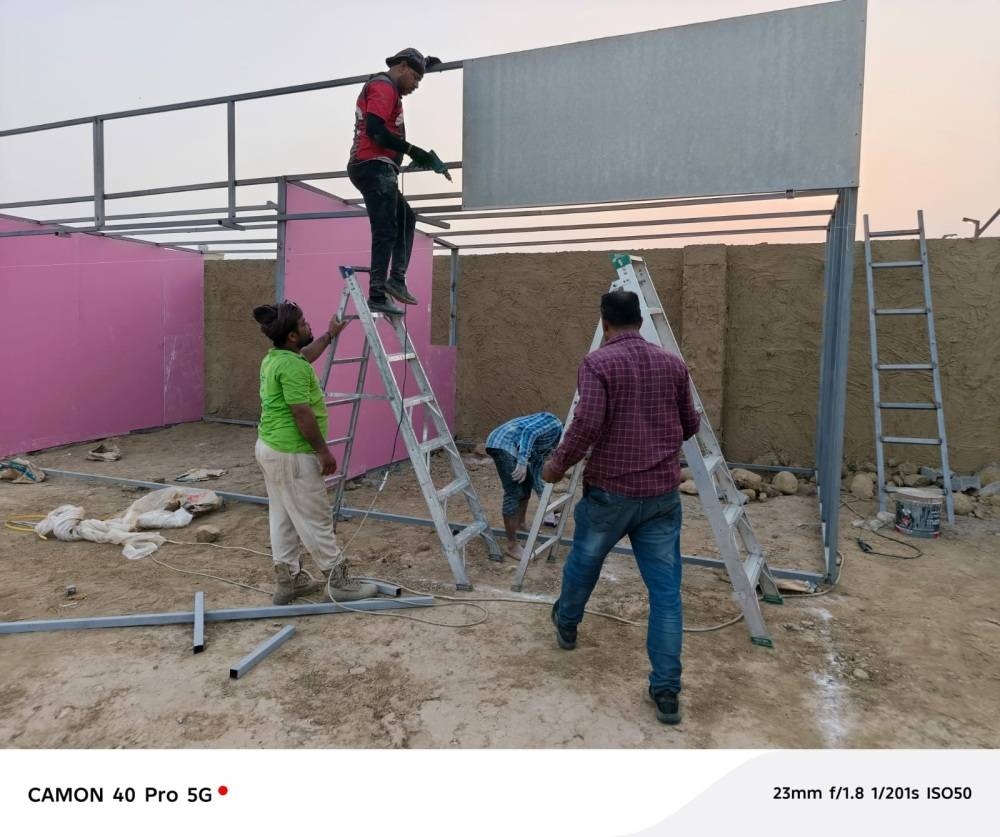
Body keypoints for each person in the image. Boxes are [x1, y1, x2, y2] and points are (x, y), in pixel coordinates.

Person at [542, 290, 700, 725]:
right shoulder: (673, 364)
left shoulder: (598, 363)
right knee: (666, 595)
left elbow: (587, 423)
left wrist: (556, 465)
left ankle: (567, 624)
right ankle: (666, 692)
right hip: (661, 498)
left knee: (584, 564)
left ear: (604, 322)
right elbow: (690, 424)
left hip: (610, 493)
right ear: (640, 321)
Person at [252, 300, 377, 605]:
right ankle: (338, 582)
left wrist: (329, 335)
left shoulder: (276, 358)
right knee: (316, 518)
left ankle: (289, 582)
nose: (308, 325)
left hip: (271, 449)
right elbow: (302, 413)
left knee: (282, 518)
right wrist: (323, 452)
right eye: (303, 323)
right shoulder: (292, 367)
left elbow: (306, 355)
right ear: (292, 335)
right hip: (292, 454)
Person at [348, 47, 446, 317]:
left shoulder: (390, 85)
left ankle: (396, 280)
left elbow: (410, 67)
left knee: (405, 219)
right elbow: (376, 131)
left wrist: (425, 63)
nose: (416, 85)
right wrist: (413, 150)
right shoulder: (384, 87)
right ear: (402, 67)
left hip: (377, 167)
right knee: (385, 229)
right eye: (416, 78)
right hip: (372, 165)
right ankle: (377, 294)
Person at [485, 412, 563, 559]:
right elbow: (529, 432)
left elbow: (536, 472)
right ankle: (512, 545)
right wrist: (522, 462)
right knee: (514, 490)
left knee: (527, 483)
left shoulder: (549, 447)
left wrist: (546, 500)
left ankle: (521, 523)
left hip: (514, 448)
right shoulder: (554, 423)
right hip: (502, 442)